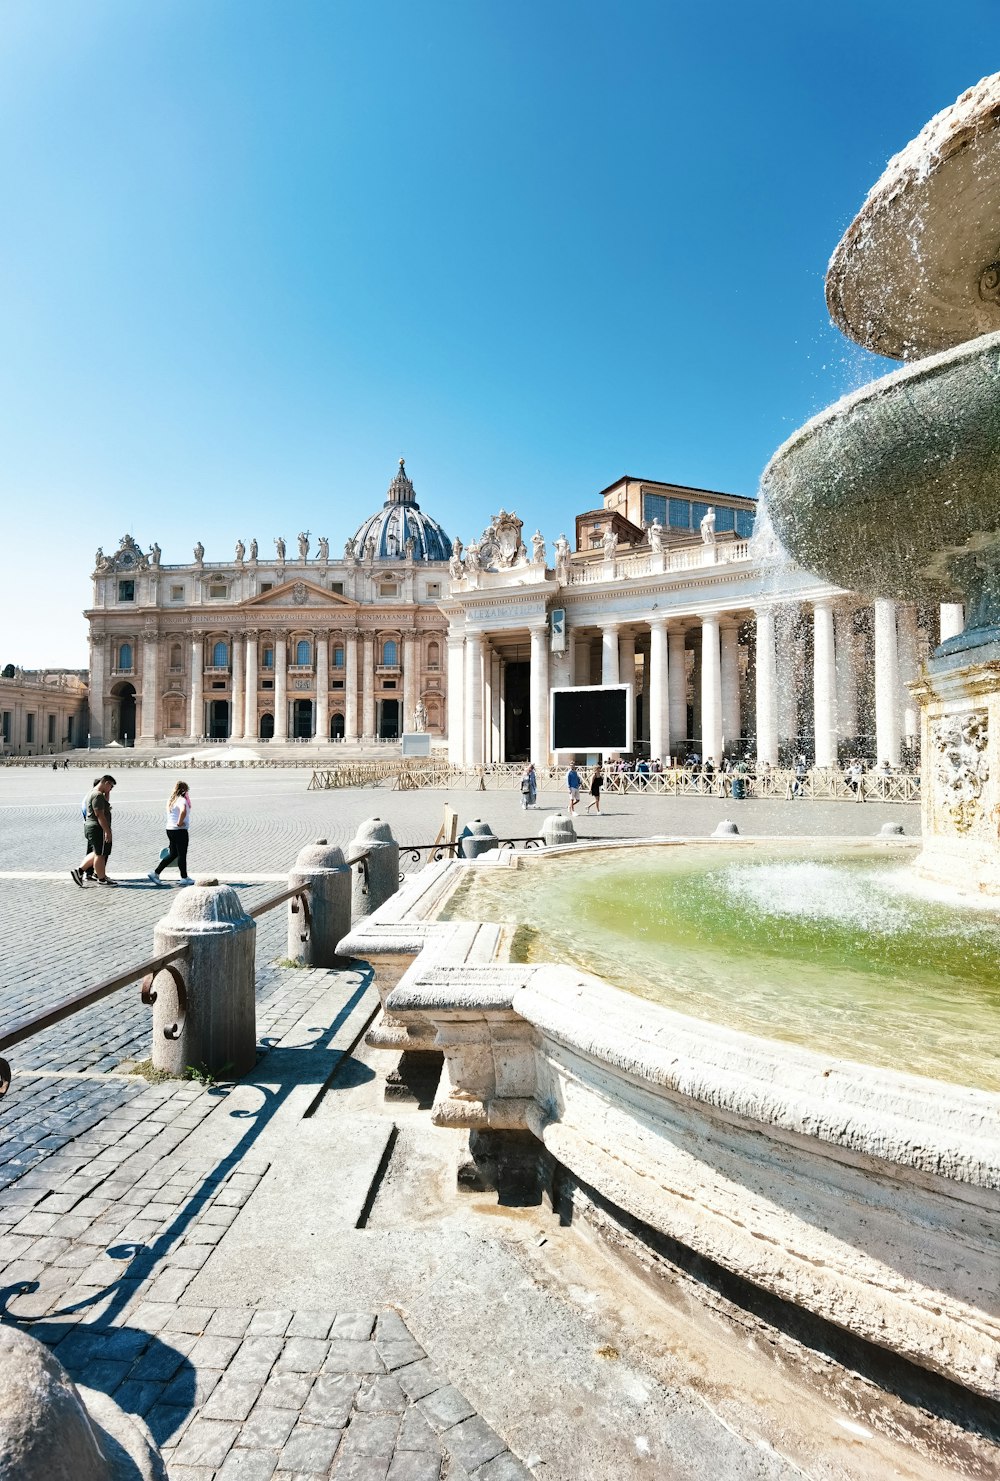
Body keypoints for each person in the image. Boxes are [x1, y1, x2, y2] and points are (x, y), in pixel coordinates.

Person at [72, 775, 116, 887]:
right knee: (100, 854)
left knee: (97, 852)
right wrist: (107, 831)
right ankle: (101, 879)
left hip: (91, 826)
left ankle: (80, 871)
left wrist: (107, 793)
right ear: (106, 783)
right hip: (97, 827)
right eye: (111, 786)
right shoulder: (97, 795)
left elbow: (103, 806)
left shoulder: (93, 793)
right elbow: (99, 815)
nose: (111, 789)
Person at [148, 781, 194, 885]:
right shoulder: (182, 800)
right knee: (182, 854)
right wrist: (180, 822)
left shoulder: (171, 800)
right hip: (179, 830)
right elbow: (183, 811)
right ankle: (184, 877)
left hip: (170, 829)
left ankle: (155, 873)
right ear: (184, 790)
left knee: (173, 854)